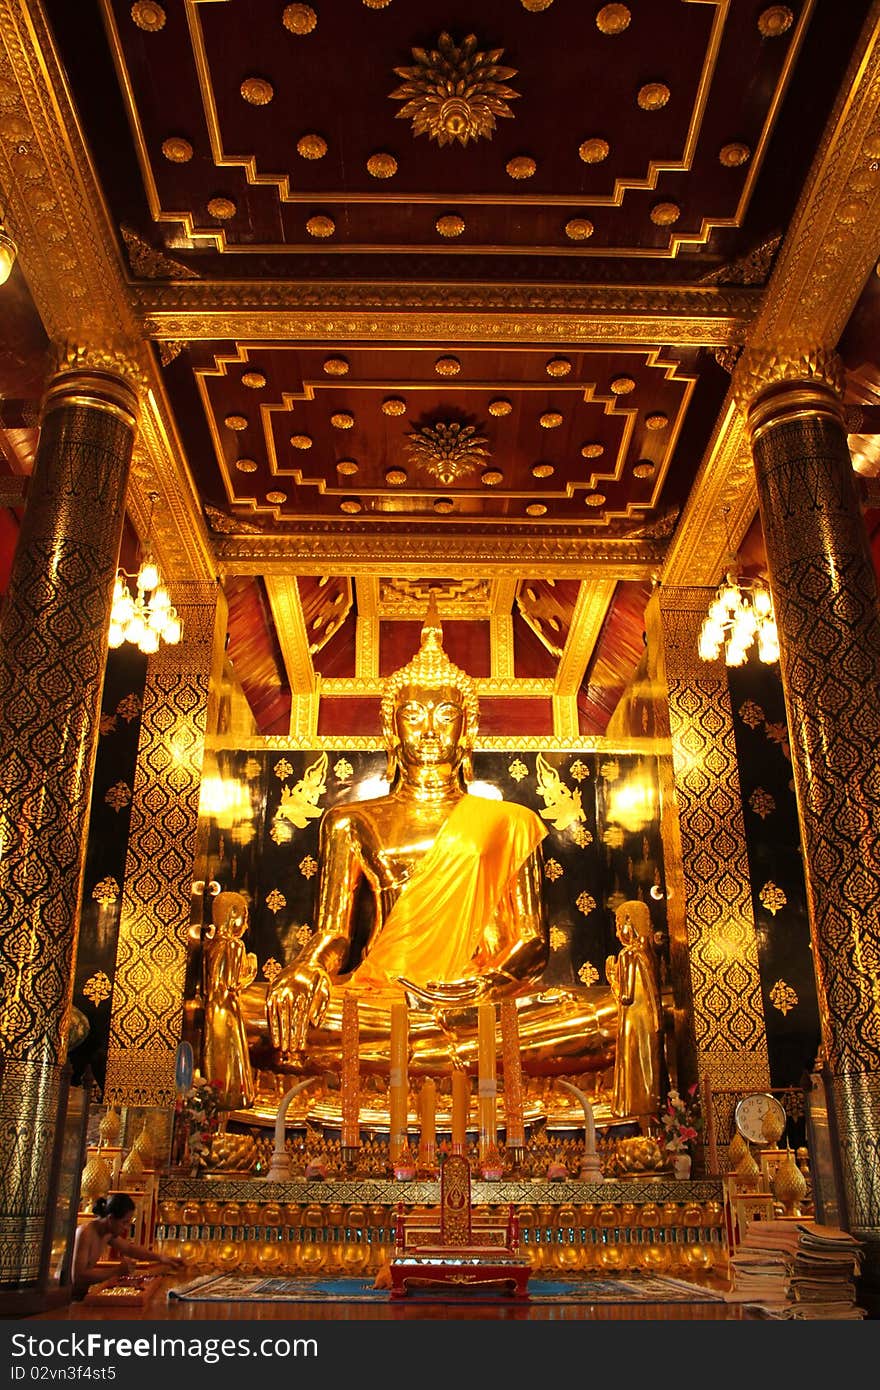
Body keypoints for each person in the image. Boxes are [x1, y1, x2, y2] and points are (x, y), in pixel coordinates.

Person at [261, 599, 618, 1072]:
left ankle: (409, 1056)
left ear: (467, 729)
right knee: (252, 1014)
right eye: (413, 715)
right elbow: (333, 933)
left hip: (480, 1003)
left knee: (608, 1017)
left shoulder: (510, 820)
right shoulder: (349, 820)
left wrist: (485, 986)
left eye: (445, 714)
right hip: (383, 996)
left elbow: (531, 939)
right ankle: (452, 1056)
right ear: (391, 728)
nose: (429, 730)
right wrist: (306, 969)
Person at [605, 899, 662, 1120]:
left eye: (619, 926)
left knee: (633, 1062)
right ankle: (649, 1107)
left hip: (632, 1019)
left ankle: (632, 1109)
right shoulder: (648, 954)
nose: (619, 934)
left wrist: (611, 977)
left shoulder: (628, 954)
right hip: (648, 1021)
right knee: (646, 1064)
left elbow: (626, 997)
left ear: (630, 923)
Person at [202, 890, 257, 1109]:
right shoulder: (234, 945)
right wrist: (251, 969)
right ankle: (229, 1098)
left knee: (216, 1056)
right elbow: (233, 982)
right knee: (230, 1056)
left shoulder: (211, 944)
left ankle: (215, 1098)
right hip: (227, 1005)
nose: (245, 924)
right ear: (233, 913)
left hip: (212, 1007)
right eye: (245, 916)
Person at [71, 1193, 182, 1299]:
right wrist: (116, 1271)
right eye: (124, 1222)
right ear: (110, 1219)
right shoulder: (85, 1233)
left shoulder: (107, 1233)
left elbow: (130, 1249)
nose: (127, 1228)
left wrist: (161, 1258)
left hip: (82, 1294)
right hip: (67, 1296)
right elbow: (78, 1277)